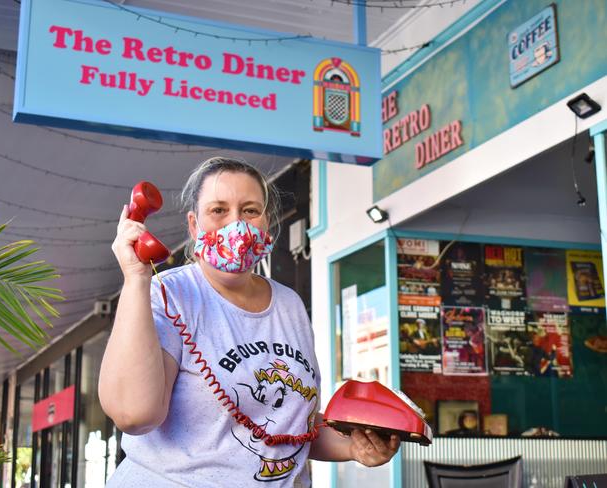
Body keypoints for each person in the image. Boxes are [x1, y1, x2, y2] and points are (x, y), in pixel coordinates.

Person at [99, 157, 400, 487]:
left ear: (266, 221)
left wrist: (353, 447)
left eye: (250, 210)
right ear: (194, 225)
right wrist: (136, 279)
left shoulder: (289, 305)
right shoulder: (167, 294)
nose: (236, 224)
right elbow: (134, 414)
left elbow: (292, 425)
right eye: (218, 210)